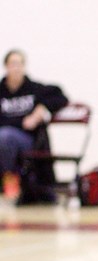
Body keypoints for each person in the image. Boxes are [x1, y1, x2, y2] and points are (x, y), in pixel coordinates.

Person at [0, 49, 68, 202]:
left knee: (5, 137)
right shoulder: (1, 92)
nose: (16, 67)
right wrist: (17, 122)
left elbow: (61, 95)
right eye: (13, 63)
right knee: (4, 136)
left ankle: (10, 178)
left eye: (19, 64)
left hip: (29, 140)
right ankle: (9, 176)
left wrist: (41, 109)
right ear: (6, 66)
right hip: (5, 140)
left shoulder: (33, 89)